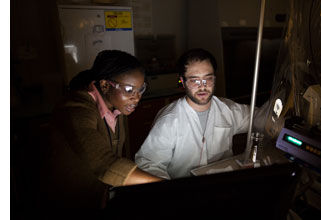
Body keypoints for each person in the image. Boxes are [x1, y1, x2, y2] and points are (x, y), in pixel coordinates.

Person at [42, 50, 163, 216]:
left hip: (98, 198)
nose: (136, 98)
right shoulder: (76, 108)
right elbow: (105, 163)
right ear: (105, 85)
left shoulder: (116, 105)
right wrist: (164, 186)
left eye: (140, 90)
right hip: (68, 204)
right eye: (129, 89)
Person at [135, 48, 257, 180]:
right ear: (182, 81)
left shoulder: (227, 109)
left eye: (208, 79)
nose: (202, 86)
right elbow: (149, 165)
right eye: (194, 80)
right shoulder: (169, 120)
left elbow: (260, 117)